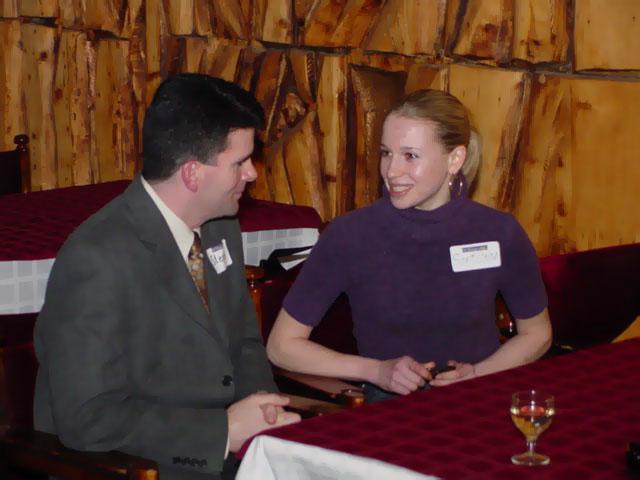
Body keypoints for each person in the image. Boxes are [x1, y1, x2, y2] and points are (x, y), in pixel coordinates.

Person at [33, 73, 300, 480]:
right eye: (239, 162)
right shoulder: (96, 258)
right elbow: (88, 418)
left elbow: (243, 342)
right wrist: (221, 432)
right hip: (137, 468)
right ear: (192, 174)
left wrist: (263, 409)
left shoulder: (219, 226)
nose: (252, 174)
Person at [267, 89, 552, 402]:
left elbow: (537, 333)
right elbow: (281, 346)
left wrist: (479, 374)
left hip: (480, 402)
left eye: (410, 156)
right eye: (386, 153)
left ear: (455, 159)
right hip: (389, 410)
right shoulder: (350, 235)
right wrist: (376, 371)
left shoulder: (499, 231)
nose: (391, 171)